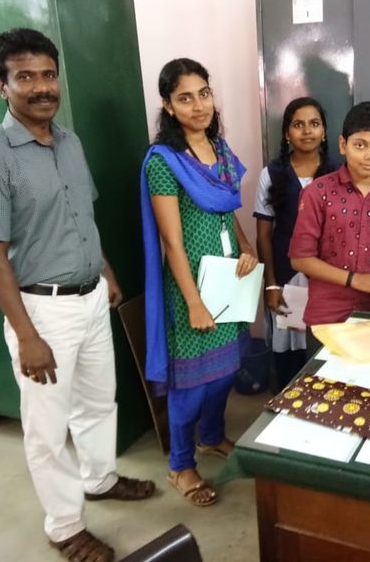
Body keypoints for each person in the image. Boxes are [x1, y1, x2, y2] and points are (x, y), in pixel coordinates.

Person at [0, 28, 154, 562]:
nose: (42, 86)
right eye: (25, 76)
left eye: (48, 74)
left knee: (98, 400)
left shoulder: (70, 142)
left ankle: (99, 478)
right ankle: (65, 526)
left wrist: (106, 271)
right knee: (47, 427)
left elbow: (80, 216)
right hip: (42, 311)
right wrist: (27, 336)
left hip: (91, 297)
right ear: (2, 86)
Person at [140, 58, 258, 507]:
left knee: (224, 372)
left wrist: (246, 247)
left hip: (227, 281)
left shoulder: (220, 150)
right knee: (190, 386)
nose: (198, 105)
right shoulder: (164, 162)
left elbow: (228, 211)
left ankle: (211, 437)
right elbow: (171, 242)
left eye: (204, 94)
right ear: (168, 107)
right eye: (185, 98)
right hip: (191, 286)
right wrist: (192, 302)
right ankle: (181, 465)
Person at [289, 101, 370, 356]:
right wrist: (356, 279)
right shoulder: (317, 192)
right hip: (326, 319)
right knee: (323, 382)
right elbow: (300, 258)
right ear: (343, 145)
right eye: (360, 145)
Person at [254, 97, 337, 389]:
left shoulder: (338, 174)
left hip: (327, 278)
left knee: (324, 352)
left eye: (314, 124)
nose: (307, 131)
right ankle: (286, 405)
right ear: (287, 134)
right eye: (298, 125)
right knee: (289, 353)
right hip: (286, 277)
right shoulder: (272, 174)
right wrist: (271, 285)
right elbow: (263, 235)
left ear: (324, 132)